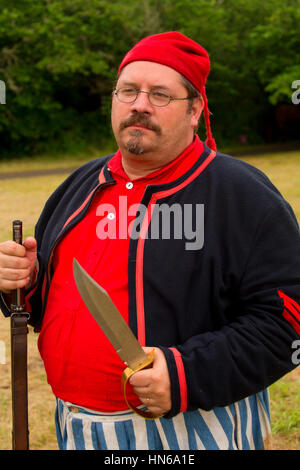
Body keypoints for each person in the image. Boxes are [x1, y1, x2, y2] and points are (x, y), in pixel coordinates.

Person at [1, 31, 300, 451]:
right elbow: (50, 300)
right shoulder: (80, 184)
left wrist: (185, 376)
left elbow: (286, 320)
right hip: (77, 425)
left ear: (195, 110)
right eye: (128, 91)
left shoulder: (241, 195)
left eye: (160, 95)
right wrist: (24, 283)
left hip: (189, 427)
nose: (139, 105)